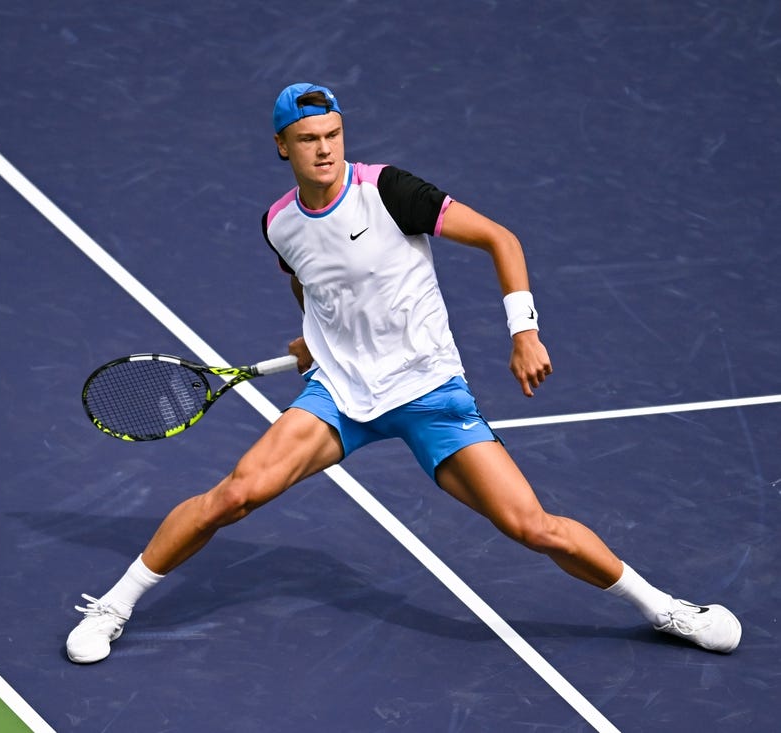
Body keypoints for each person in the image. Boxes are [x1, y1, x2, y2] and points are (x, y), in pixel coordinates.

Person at [65, 82, 741, 664]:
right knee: (236, 494)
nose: (325, 149)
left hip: (430, 395)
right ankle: (113, 606)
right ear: (282, 147)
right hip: (340, 395)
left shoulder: (389, 190)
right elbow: (312, 282)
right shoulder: (278, 223)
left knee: (532, 526)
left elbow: (500, 238)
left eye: (333, 134)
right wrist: (314, 336)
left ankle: (664, 608)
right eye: (308, 139)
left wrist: (524, 329)